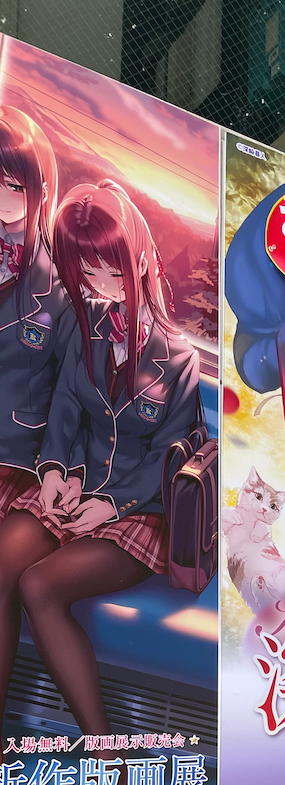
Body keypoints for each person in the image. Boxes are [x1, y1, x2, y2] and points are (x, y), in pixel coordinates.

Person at [0, 179, 202, 785]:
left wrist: (110, 502)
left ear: (138, 259)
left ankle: (107, 764)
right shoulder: (85, 333)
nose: (100, 287)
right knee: (3, 562)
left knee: (40, 586)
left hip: (141, 512)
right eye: (86, 272)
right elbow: (63, 411)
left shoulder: (178, 358)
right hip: (75, 492)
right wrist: (55, 471)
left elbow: (169, 455)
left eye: (111, 270)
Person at [0, 107, 74, 523]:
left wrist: (53, 466)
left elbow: (68, 390)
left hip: (12, 448)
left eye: (13, 186)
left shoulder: (60, 286)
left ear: (42, 190)